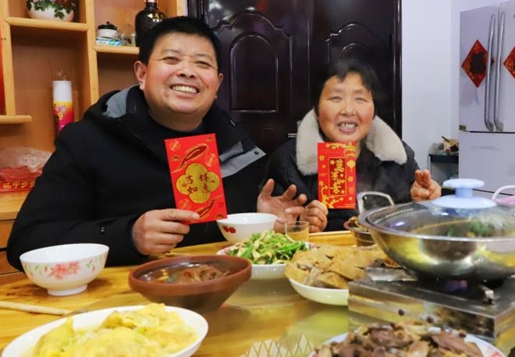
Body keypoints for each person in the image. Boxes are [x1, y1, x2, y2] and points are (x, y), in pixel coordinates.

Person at [7, 16, 326, 269]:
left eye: (202, 64)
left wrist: (259, 219)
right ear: (142, 73)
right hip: (122, 311)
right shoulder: (86, 141)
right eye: (172, 59)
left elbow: (222, 241)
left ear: (217, 84)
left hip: (220, 295)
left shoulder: (238, 147)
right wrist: (128, 235)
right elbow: (27, 242)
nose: (187, 72)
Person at [262, 58, 442, 231]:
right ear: (316, 110)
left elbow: (412, 226)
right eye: (335, 98)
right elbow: (274, 226)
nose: (348, 110)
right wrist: (299, 223)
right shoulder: (287, 162)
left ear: (373, 111)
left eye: (360, 99)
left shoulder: (398, 157)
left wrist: (420, 203)